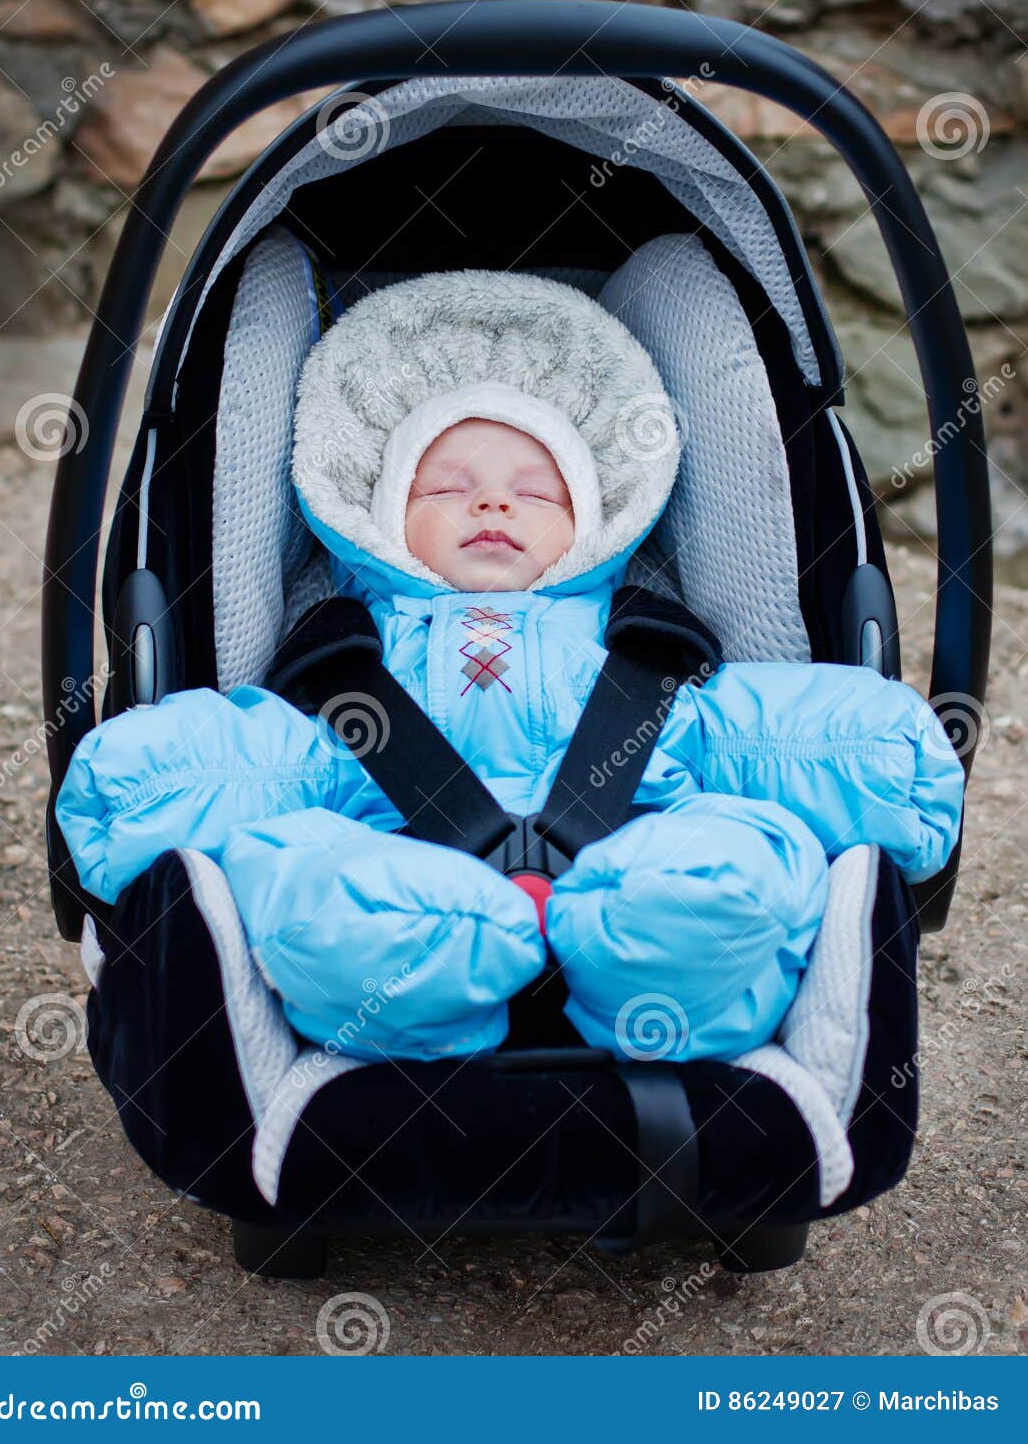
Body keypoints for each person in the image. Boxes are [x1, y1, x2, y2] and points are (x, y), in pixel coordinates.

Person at [56, 271, 965, 1066]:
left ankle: (648, 947)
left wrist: (884, 755)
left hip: (634, 833)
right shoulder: (349, 663)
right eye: (444, 487)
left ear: (597, 519)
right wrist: (131, 786)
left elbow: (741, 727)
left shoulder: (643, 650)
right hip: (398, 848)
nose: (492, 500)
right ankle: (420, 965)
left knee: (729, 858)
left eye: (535, 489)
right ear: (372, 517)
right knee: (303, 874)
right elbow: (269, 753)